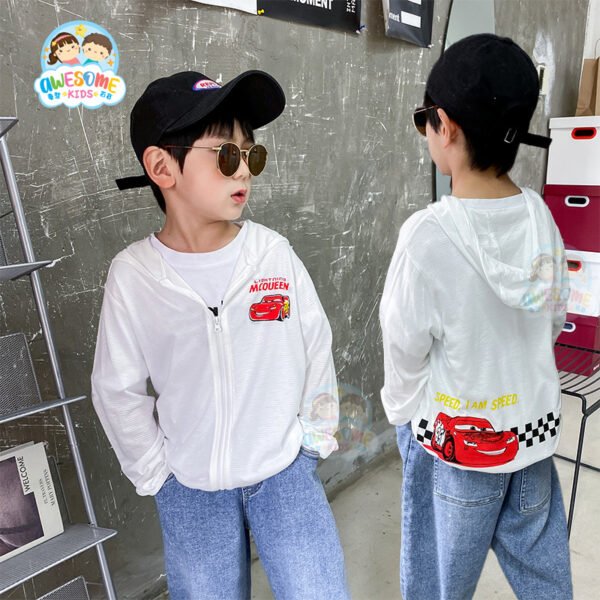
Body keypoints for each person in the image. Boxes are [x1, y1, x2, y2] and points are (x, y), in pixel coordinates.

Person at [91, 70, 349, 600]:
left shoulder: (271, 254)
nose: (245, 169)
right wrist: (158, 475)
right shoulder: (134, 275)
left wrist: (313, 443)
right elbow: (116, 388)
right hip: (191, 488)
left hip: (285, 472)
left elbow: (315, 346)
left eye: (251, 154)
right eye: (226, 155)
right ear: (162, 167)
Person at [379, 34, 572, 600]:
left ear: (446, 127)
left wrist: (405, 419)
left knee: (440, 583)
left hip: (456, 451)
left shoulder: (428, 235)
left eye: (424, 119)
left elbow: (403, 343)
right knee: (545, 581)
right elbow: (552, 318)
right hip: (532, 443)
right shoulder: (540, 216)